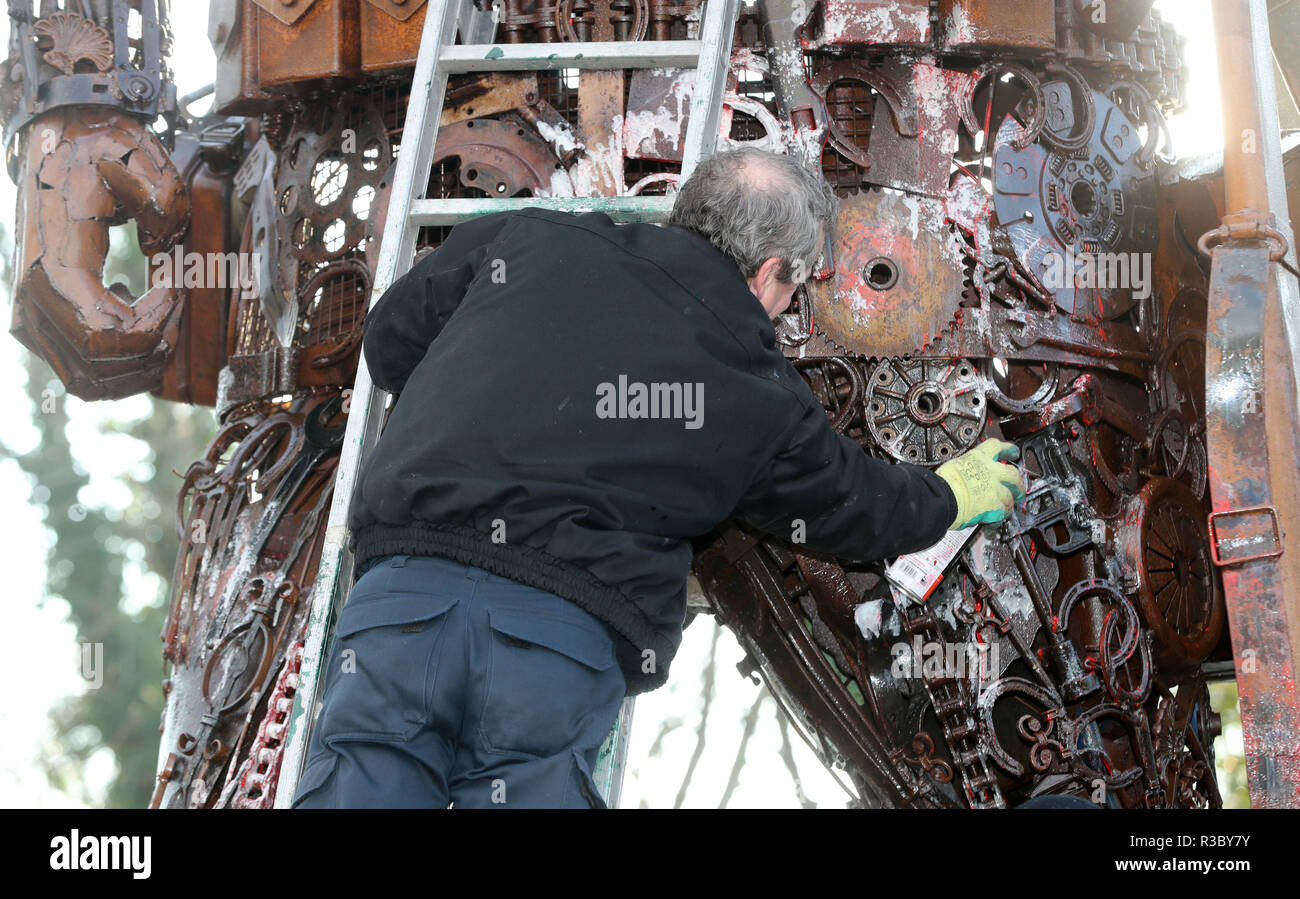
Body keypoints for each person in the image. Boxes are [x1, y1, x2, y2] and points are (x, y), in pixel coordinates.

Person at [290, 147, 1024, 809]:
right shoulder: (753, 384)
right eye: (794, 289)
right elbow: (848, 504)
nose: (787, 308)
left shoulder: (523, 236)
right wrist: (951, 493)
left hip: (401, 600)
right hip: (554, 638)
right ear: (770, 270)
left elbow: (388, 344)